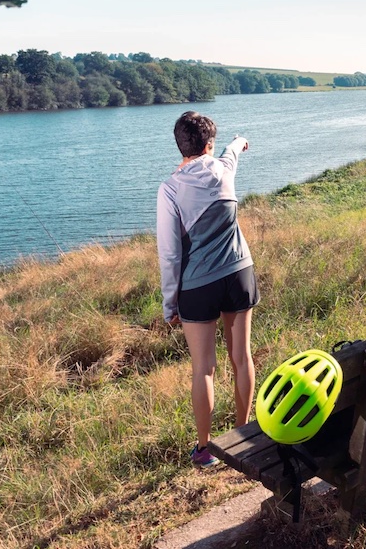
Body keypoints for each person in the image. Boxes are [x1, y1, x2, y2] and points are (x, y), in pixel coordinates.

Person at [157, 111, 260, 469]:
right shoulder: (223, 168)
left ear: (179, 144)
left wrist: (170, 304)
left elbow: (170, 253)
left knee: (204, 368)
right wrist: (239, 141)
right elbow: (231, 153)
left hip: (198, 286)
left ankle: (206, 450)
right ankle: (244, 436)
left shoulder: (170, 189)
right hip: (239, 273)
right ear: (209, 145)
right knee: (241, 357)